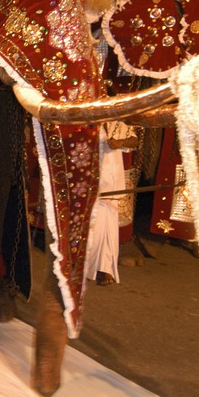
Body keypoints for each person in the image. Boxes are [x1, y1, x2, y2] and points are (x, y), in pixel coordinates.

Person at [85, 121, 137, 286]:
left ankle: (105, 267)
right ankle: (88, 266)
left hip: (112, 178)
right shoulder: (89, 120)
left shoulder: (119, 122)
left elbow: (134, 141)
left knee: (109, 225)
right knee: (95, 223)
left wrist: (121, 142)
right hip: (92, 178)